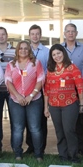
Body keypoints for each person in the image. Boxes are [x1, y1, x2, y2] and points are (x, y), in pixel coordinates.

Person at [44, 44, 83, 163]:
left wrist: (81, 104)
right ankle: (62, 155)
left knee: (69, 130)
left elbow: (80, 86)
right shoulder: (50, 70)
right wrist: (46, 107)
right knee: (59, 131)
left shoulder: (72, 68)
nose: (57, 56)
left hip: (70, 104)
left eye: (59, 53)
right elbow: (47, 90)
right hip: (54, 105)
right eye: (54, 55)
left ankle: (73, 155)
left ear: (63, 53)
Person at [5, 40, 45, 161]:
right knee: (17, 128)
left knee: (35, 128)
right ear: (17, 50)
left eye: (26, 48)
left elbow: (41, 80)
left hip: (34, 100)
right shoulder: (11, 65)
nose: (23, 50)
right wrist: (18, 96)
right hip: (16, 101)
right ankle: (18, 154)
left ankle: (38, 154)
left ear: (29, 50)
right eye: (21, 48)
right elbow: (8, 82)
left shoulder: (36, 63)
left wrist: (31, 96)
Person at [62, 23, 83, 156]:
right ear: (64, 33)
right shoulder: (59, 49)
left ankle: (81, 146)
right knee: (66, 120)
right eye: (68, 31)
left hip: (79, 89)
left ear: (76, 33)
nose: (70, 33)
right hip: (63, 89)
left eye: (73, 31)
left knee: (79, 118)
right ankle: (68, 147)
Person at [25, 24, 49, 155]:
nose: (35, 36)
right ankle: (30, 147)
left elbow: (49, 70)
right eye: (33, 34)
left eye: (37, 33)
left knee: (40, 120)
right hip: (26, 90)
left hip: (41, 89)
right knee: (29, 120)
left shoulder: (46, 51)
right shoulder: (24, 51)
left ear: (40, 35)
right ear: (29, 36)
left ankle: (41, 147)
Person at [0, 27, 15, 150]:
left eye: (3, 34)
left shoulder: (15, 52)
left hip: (12, 91)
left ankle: (15, 147)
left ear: (7, 35)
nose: (1, 36)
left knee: (15, 120)